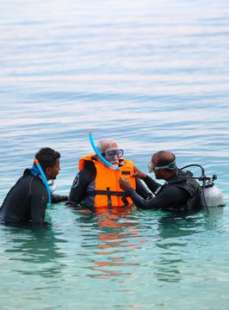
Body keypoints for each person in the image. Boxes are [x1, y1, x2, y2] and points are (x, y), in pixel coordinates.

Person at [68, 139, 150, 210]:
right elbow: (72, 203)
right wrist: (85, 213)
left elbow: (147, 197)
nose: (115, 158)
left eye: (118, 153)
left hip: (127, 217)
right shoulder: (88, 172)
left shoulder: (128, 170)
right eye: (110, 154)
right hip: (97, 219)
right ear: (98, 156)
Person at [0, 147, 68, 226]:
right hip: (11, 228)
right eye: (57, 166)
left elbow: (42, 197)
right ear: (49, 170)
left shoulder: (28, 178)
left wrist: (66, 198)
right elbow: (38, 225)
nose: (59, 169)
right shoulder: (39, 190)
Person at [119, 150, 202, 212]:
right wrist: (145, 178)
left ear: (162, 170)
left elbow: (146, 206)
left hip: (179, 224)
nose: (152, 169)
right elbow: (162, 192)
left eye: (153, 167)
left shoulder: (174, 191)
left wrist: (129, 190)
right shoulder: (182, 177)